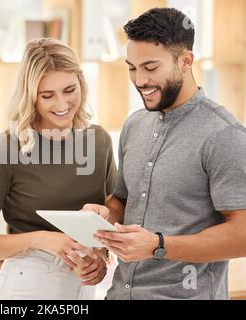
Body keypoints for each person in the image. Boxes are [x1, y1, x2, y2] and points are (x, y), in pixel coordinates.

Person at [84, 7, 246, 300]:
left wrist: (158, 245)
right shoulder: (134, 124)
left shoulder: (224, 135)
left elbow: (243, 235)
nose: (139, 80)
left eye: (150, 67)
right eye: (132, 68)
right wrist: (103, 217)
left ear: (185, 61)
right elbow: (122, 200)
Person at [0, 38, 117, 300]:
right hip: (27, 286)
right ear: (31, 96)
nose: (61, 104)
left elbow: (114, 218)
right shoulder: (5, 149)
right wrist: (42, 240)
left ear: (81, 82)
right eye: (47, 95)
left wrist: (100, 254)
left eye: (70, 90)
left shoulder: (99, 142)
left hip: (82, 287)